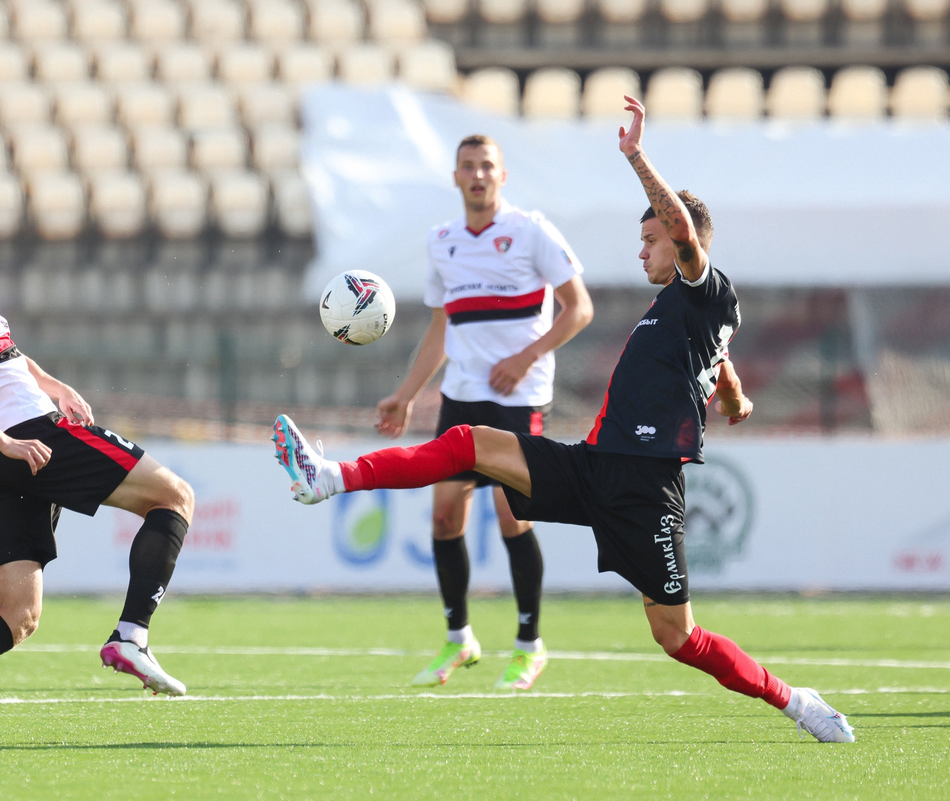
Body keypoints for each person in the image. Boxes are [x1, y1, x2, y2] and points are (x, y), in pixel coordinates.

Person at [272, 98, 855, 742]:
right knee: (468, 443)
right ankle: (329, 477)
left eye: (649, 239)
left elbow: (687, 237)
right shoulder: (685, 309)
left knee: (678, 636)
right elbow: (714, 356)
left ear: (682, 238)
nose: (643, 252)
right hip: (595, 463)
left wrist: (635, 156)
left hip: (645, 490)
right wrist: (735, 395)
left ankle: (796, 702)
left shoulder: (703, 286)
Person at [0, 166, 194, 744]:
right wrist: (8, 441)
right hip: (24, 439)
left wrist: (51, 382)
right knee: (174, 495)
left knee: (18, 615)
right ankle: (132, 635)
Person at [375, 134, 593, 690]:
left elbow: (579, 308)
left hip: (519, 397)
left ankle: (528, 646)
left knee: (510, 514)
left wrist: (525, 357)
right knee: (445, 515)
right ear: (455, 177)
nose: (478, 175)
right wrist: (406, 394)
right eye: (468, 167)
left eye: (487, 166)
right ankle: (459, 639)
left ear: (502, 176)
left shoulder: (531, 231)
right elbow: (441, 327)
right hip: (462, 396)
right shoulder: (442, 241)